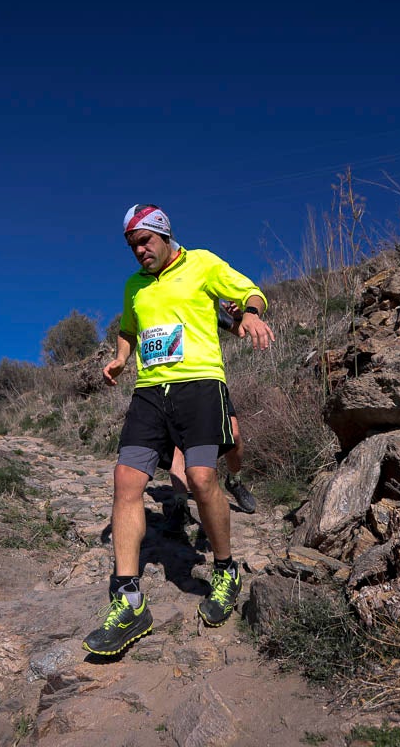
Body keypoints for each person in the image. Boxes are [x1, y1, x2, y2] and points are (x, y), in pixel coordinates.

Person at [82, 204, 274, 656]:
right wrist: (120, 357)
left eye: (145, 241)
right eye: (132, 246)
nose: (139, 251)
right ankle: (129, 600)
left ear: (164, 234)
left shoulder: (202, 263)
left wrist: (248, 313)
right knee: (126, 480)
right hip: (150, 391)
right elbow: (130, 328)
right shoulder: (134, 286)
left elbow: (251, 292)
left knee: (203, 478)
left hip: (200, 385)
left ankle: (225, 569)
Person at [164, 302, 256, 537]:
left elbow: (240, 331)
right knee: (178, 445)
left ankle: (234, 481)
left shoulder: (204, 306)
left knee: (234, 436)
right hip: (172, 384)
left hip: (208, 383)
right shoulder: (159, 307)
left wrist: (238, 315)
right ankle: (180, 503)